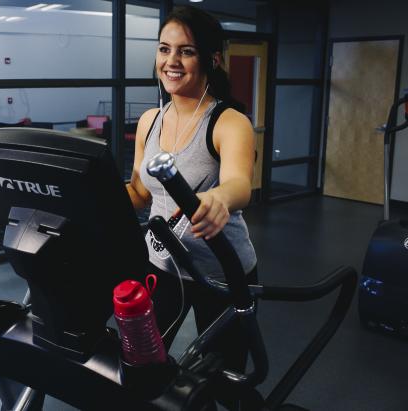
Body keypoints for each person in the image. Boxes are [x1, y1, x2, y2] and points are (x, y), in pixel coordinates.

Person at [126, 5, 257, 410]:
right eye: (165, 49)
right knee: (145, 364)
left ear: (211, 58)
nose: (171, 61)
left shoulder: (228, 121)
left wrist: (219, 197)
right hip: (163, 266)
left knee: (223, 379)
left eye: (186, 51)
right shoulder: (150, 120)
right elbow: (139, 192)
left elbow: (239, 182)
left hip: (221, 269)